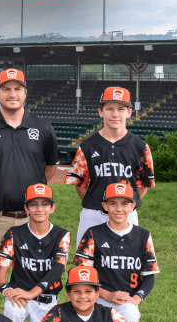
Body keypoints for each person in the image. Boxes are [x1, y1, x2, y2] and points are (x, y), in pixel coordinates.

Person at [0, 68, 59, 276]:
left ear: (25, 93)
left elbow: (51, 167)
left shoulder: (44, 128)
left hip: (32, 217)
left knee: (31, 274)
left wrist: (35, 193)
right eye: (6, 89)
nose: (12, 94)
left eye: (17, 88)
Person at [73, 181, 159, 322]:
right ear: (104, 206)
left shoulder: (143, 236)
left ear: (133, 206)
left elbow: (149, 276)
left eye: (124, 203)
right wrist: (106, 295)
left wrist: (136, 299)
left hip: (125, 301)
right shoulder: (93, 234)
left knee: (130, 313)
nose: (119, 209)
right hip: (96, 299)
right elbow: (80, 275)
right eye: (113, 203)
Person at [64, 86, 155, 250]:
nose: (115, 114)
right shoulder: (86, 146)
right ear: (101, 112)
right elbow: (80, 184)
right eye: (109, 108)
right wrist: (96, 204)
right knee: (87, 262)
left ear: (129, 112)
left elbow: (142, 186)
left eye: (121, 109)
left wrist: (125, 207)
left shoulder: (141, 147)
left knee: (126, 261)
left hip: (127, 215)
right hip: (93, 215)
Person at [0, 184, 70, 322]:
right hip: (19, 297)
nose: (39, 209)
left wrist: (32, 293)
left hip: (46, 299)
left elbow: (57, 269)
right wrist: (6, 289)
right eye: (34, 204)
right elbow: (0, 272)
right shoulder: (14, 233)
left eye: (45, 204)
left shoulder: (61, 235)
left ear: (52, 208)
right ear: (26, 208)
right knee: (12, 318)